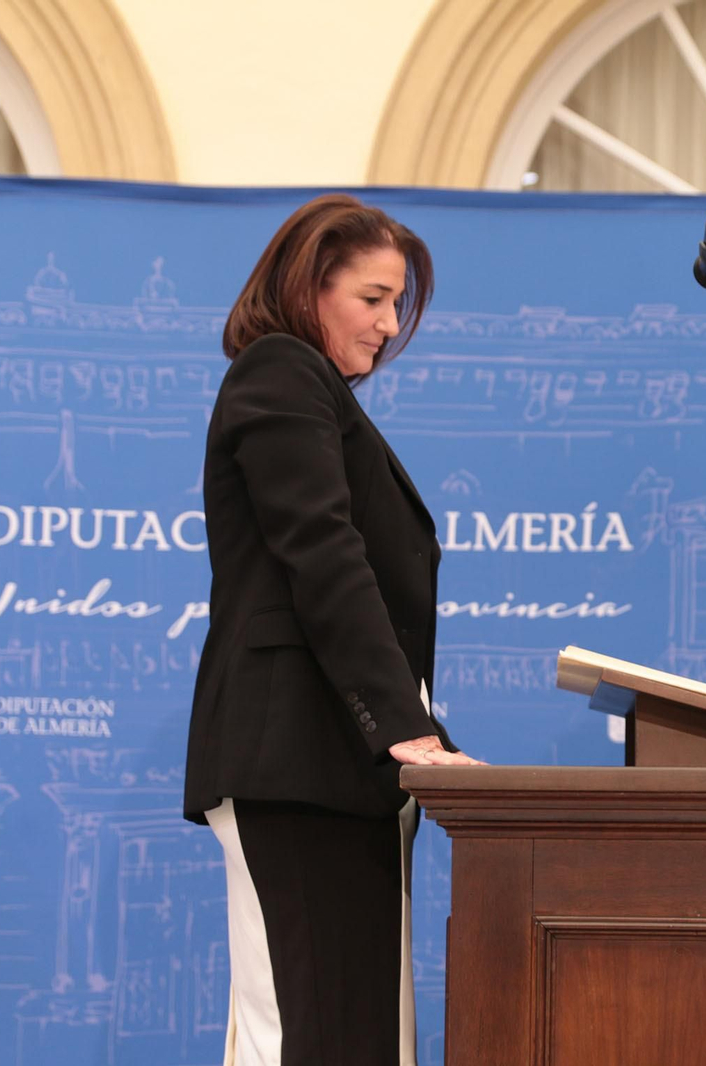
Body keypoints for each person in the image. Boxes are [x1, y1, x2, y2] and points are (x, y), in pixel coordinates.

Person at [183, 193, 481, 1066]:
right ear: (312, 287)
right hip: (298, 767)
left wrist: (416, 742)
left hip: (341, 771)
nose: (390, 325)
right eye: (374, 298)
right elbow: (323, 555)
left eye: (397, 305)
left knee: (354, 1039)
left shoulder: (314, 394)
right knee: (301, 1034)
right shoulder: (278, 370)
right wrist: (406, 732)